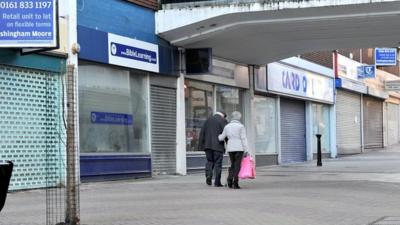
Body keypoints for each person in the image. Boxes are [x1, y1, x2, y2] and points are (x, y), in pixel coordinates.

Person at [218, 111, 248, 189]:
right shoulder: (241, 126)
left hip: (230, 148)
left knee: (232, 164)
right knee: (237, 165)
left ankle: (229, 180)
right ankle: (235, 182)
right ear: (239, 118)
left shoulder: (227, 126)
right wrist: (246, 149)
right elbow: (243, 138)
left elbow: (221, 138)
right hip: (239, 147)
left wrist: (217, 135)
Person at [198, 111, 227, 187]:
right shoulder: (222, 120)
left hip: (207, 146)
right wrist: (228, 143)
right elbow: (226, 133)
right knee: (218, 163)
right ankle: (217, 182)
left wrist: (201, 145)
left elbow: (202, 133)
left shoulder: (208, 120)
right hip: (218, 146)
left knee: (209, 161)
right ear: (223, 115)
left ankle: (208, 175)